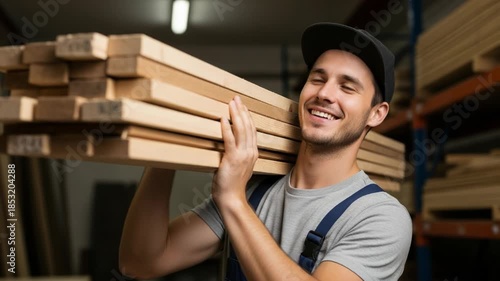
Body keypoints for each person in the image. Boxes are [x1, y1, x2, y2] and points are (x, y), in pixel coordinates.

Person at [119, 22, 412, 281]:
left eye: (347, 87)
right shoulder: (255, 192)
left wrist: (232, 199)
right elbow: (141, 263)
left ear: (376, 114)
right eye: (318, 79)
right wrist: (161, 148)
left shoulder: (380, 217)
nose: (324, 94)